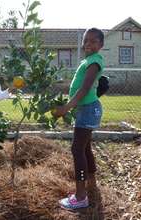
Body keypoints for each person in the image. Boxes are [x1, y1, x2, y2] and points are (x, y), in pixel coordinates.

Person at [53, 28, 105, 209]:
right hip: (87, 108)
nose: (88, 44)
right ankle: (91, 180)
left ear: (101, 45)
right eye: (86, 41)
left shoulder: (94, 62)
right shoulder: (89, 60)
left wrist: (66, 108)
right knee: (85, 147)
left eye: (93, 41)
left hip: (87, 109)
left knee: (77, 149)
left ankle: (81, 196)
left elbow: (84, 90)